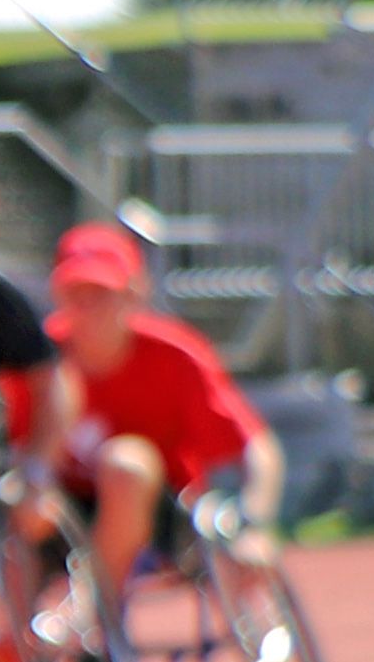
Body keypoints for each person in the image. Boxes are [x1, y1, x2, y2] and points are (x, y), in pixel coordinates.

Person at [30, 219, 280, 605]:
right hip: (60, 513)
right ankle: (8, 652)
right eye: (75, 293)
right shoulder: (37, 360)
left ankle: (95, 615)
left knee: (125, 463)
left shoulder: (174, 358)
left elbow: (256, 448)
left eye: (101, 293)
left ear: (134, 294)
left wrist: (254, 524)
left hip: (161, 517)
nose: (88, 308)